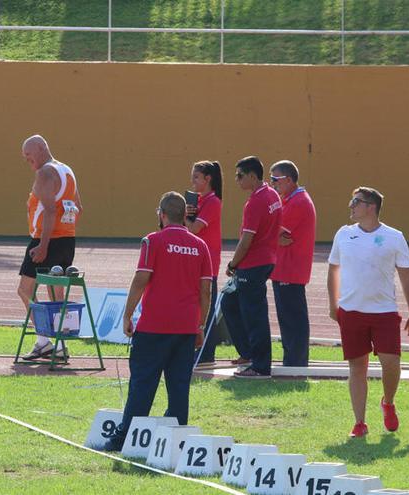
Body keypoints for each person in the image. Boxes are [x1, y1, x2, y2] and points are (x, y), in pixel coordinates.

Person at [100, 192, 212, 450]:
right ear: (184, 216)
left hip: (154, 327)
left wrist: (128, 314)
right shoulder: (200, 246)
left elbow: (141, 279)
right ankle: (175, 440)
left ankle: (124, 438)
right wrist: (201, 325)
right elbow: (205, 290)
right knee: (179, 387)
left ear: (161, 215)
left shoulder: (153, 241)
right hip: (185, 327)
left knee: (142, 384)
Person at [327, 187, 409, 438]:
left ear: (371, 207)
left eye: (356, 202)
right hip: (351, 311)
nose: (351, 205)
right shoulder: (343, 235)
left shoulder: (394, 237)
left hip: (384, 312)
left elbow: (406, 277)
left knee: (391, 363)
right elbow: (333, 270)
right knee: (357, 367)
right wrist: (332, 304)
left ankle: (388, 402)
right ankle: (360, 422)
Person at [16, 135, 82, 361]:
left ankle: (44, 341)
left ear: (42, 148)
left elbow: (51, 210)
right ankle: (59, 345)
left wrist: (43, 245)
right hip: (66, 239)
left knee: (25, 290)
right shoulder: (67, 171)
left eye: (28, 155)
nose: (27, 161)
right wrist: (66, 232)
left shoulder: (45, 173)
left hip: (45, 240)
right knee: (56, 292)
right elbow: (78, 207)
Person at [221, 156, 282, 378]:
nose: (236, 180)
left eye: (240, 176)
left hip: (253, 263)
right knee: (229, 302)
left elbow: (246, 240)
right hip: (265, 260)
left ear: (253, 176)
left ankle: (260, 366)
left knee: (254, 315)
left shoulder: (255, 201)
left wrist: (232, 264)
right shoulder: (272, 194)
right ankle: (248, 353)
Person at [269, 160, 316, 367]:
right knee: (288, 320)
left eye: (275, 179)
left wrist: (270, 236)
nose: (272, 184)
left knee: (292, 320)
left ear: (288, 180)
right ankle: (293, 360)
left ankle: (296, 362)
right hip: (285, 269)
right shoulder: (290, 200)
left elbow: (268, 232)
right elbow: (271, 233)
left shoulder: (297, 202)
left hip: (290, 270)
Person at [185, 161, 223, 366]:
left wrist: (183, 216)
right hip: (196, 262)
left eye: (196, 177)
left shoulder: (212, 202)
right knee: (197, 309)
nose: (192, 182)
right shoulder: (200, 200)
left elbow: (195, 229)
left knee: (205, 310)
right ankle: (200, 352)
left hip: (208, 264)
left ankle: (206, 354)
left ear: (208, 179)